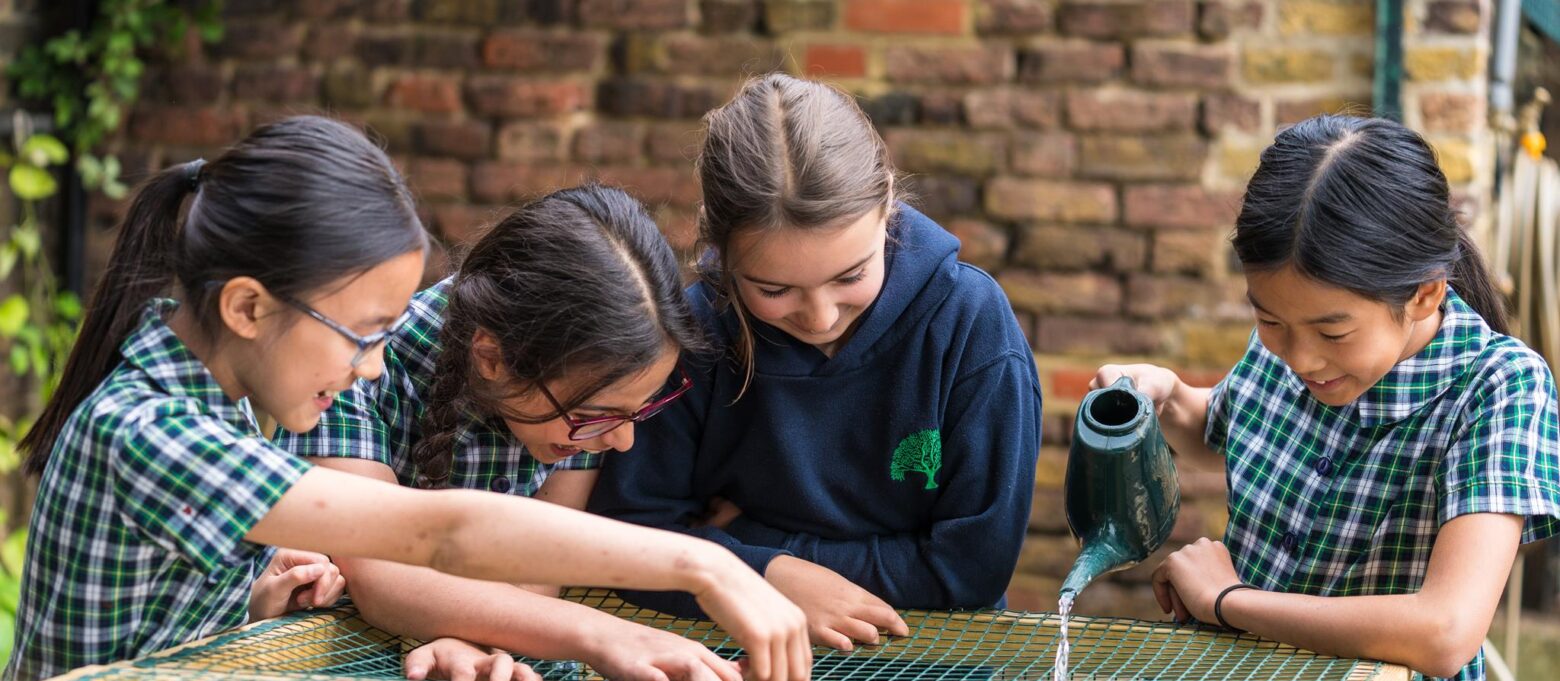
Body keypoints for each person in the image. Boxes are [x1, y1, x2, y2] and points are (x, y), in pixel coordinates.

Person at [5, 116, 808, 681]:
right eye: (363, 332)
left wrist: (258, 595)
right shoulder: (154, 429)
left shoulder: (221, 384)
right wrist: (696, 562)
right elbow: (438, 535)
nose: (374, 367)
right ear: (248, 308)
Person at [1093, 115, 1560, 680]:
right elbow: (1221, 430)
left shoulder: (1498, 388)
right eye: (1268, 319)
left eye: (1333, 332)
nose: (1301, 357)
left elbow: (1446, 630)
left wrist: (1228, 601)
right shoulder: (1291, 342)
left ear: (1423, 293)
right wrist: (1164, 399)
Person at [590, 73, 1043, 651]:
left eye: (851, 276)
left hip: (930, 653)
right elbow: (628, 535)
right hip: (734, 649)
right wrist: (767, 577)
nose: (821, 316)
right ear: (722, 249)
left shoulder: (970, 326)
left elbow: (969, 570)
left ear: (887, 208)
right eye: (774, 290)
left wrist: (750, 551)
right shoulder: (696, 332)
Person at [277, 183, 761, 681]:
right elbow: (380, 569)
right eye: (598, 414)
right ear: (491, 357)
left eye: (639, 411)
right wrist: (607, 635)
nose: (622, 442)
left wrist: (463, 640)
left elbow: (538, 572)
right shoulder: (354, 368)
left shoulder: (587, 391)